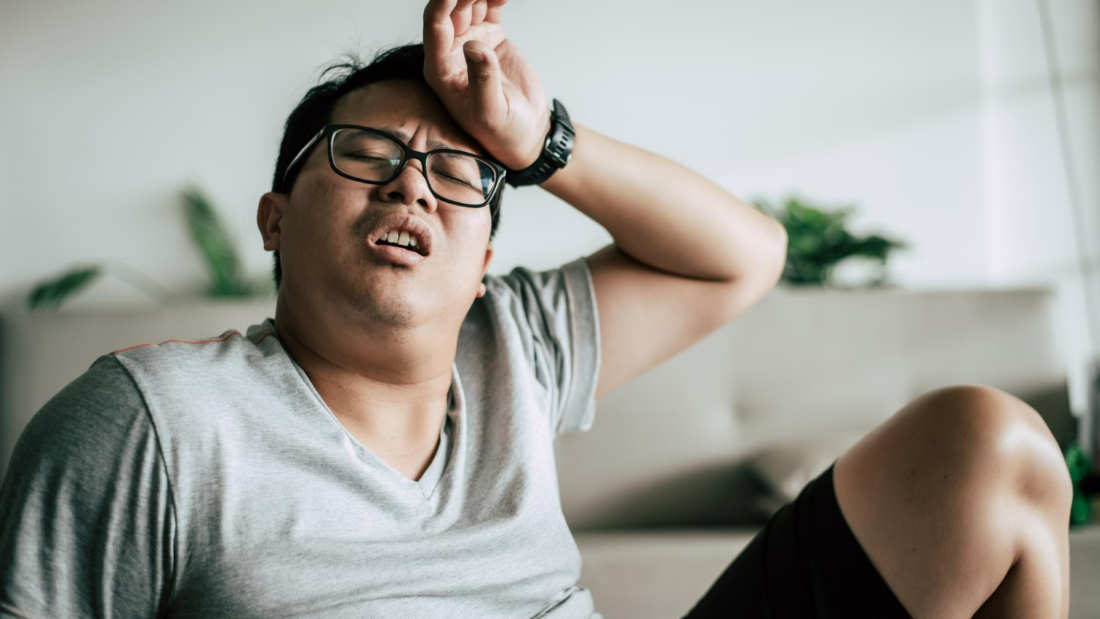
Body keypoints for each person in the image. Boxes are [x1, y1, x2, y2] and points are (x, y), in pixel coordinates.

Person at [0, 1, 1073, 617]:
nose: (412, 184)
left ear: (484, 263)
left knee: (990, 447)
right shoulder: (153, 421)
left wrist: (538, 140)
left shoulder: (510, 345)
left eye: (458, 174)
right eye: (364, 153)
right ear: (275, 218)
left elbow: (744, 257)